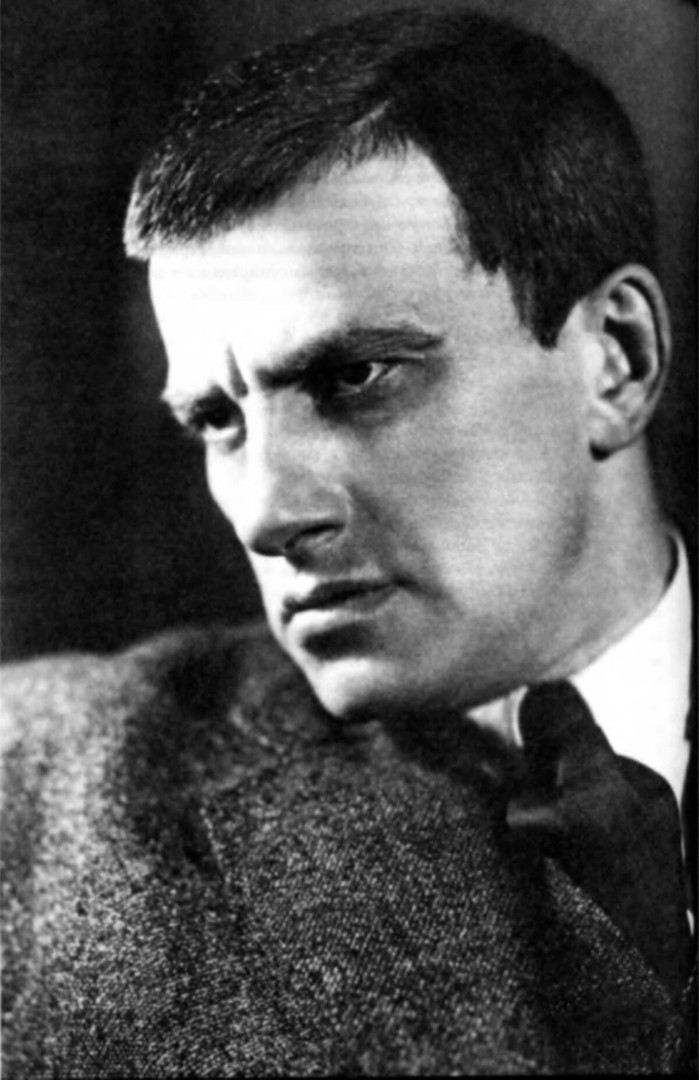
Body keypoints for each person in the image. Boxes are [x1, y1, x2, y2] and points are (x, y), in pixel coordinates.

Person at [2, 7, 695, 1075]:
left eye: (353, 377)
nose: (266, 515)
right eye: (217, 421)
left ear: (617, 360)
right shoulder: (52, 792)